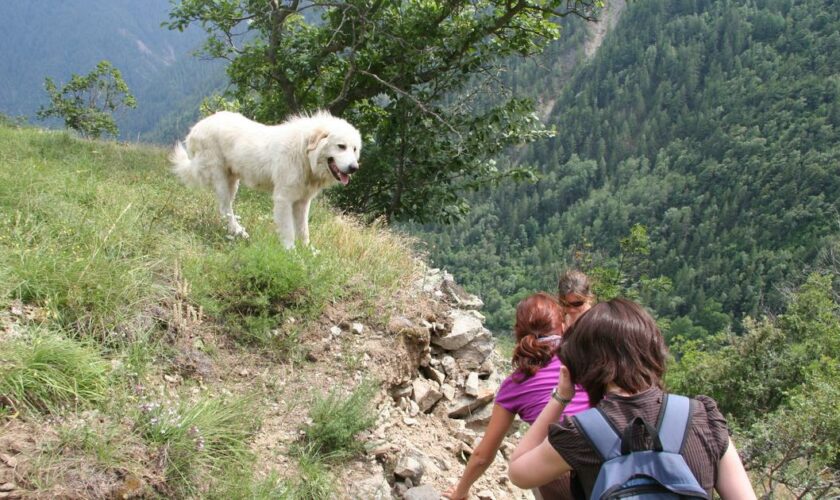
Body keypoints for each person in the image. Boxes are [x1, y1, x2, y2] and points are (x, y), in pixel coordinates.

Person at [508, 298, 756, 499]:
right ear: (654, 349)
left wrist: (561, 397)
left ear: (582, 365)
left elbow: (518, 472)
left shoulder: (583, 432)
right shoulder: (703, 417)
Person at [444, 290, 591, 500]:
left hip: (559, 472)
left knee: (531, 461)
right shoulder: (585, 359)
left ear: (518, 332)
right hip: (607, 455)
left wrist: (461, 492)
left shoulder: (515, 384)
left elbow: (483, 455)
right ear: (562, 326)